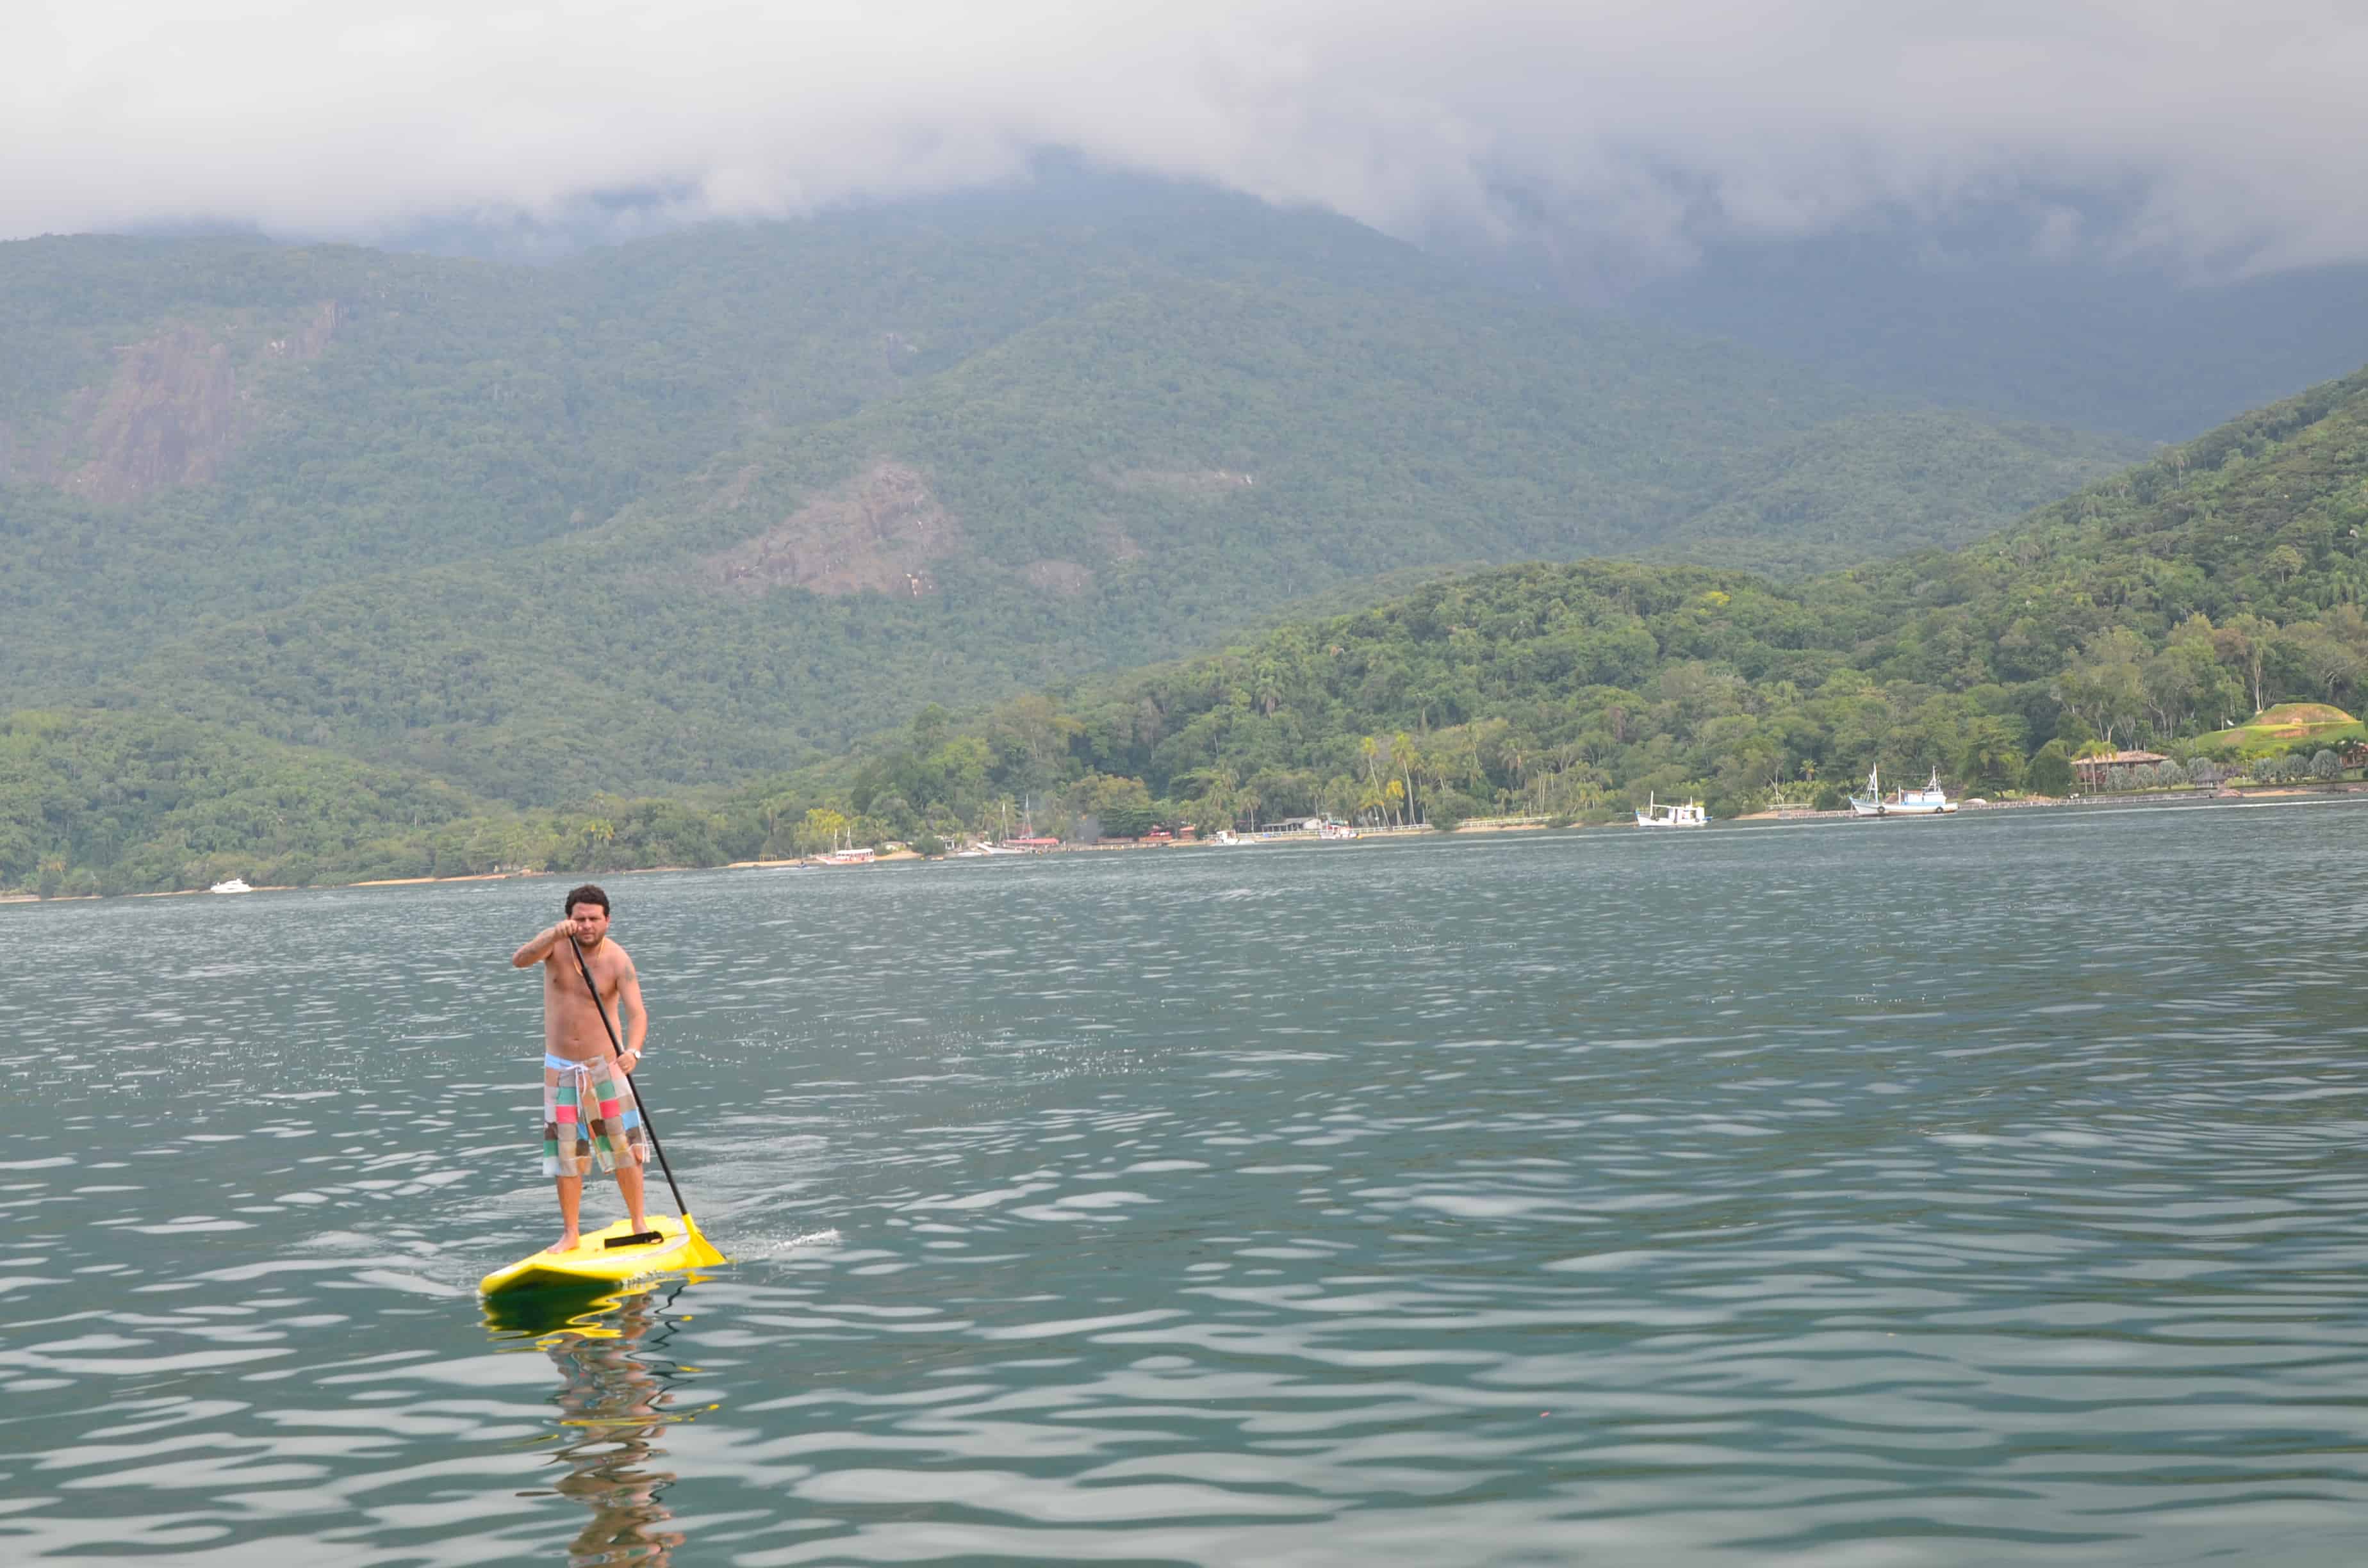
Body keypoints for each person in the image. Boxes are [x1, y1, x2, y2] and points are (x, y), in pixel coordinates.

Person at [512, 885, 652, 1253]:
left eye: (594, 919)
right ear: (569, 920)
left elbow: (637, 1014)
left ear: (607, 920)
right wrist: (553, 934)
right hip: (560, 1069)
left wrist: (633, 1052)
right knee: (566, 1154)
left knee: (625, 1147)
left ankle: (638, 1222)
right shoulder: (553, 948)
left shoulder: (618, 959)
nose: (587, 925)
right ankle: (571, 1233)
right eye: (579, 919)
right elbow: (520, 960)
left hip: (606, 1066)